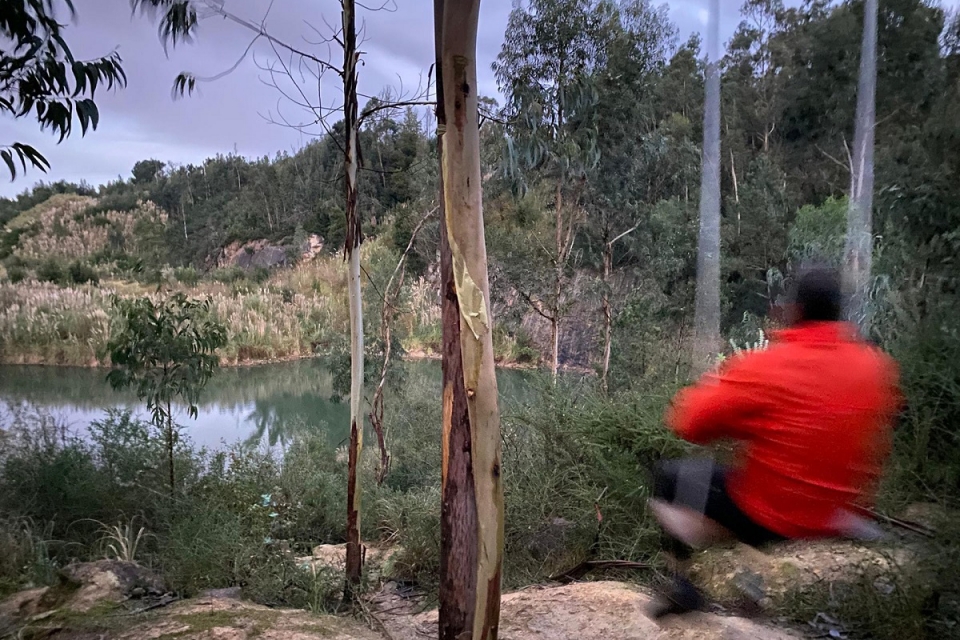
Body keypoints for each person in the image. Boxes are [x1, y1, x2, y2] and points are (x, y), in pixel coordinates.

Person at [648, 266, 902, 618]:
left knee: (670, 477)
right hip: (842, 513)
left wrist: (725, 395)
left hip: (775, 516)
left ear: (794, 309)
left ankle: (684, 586)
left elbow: (689, 424)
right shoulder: (876, 368)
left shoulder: (768, 366)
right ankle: (752, 583)